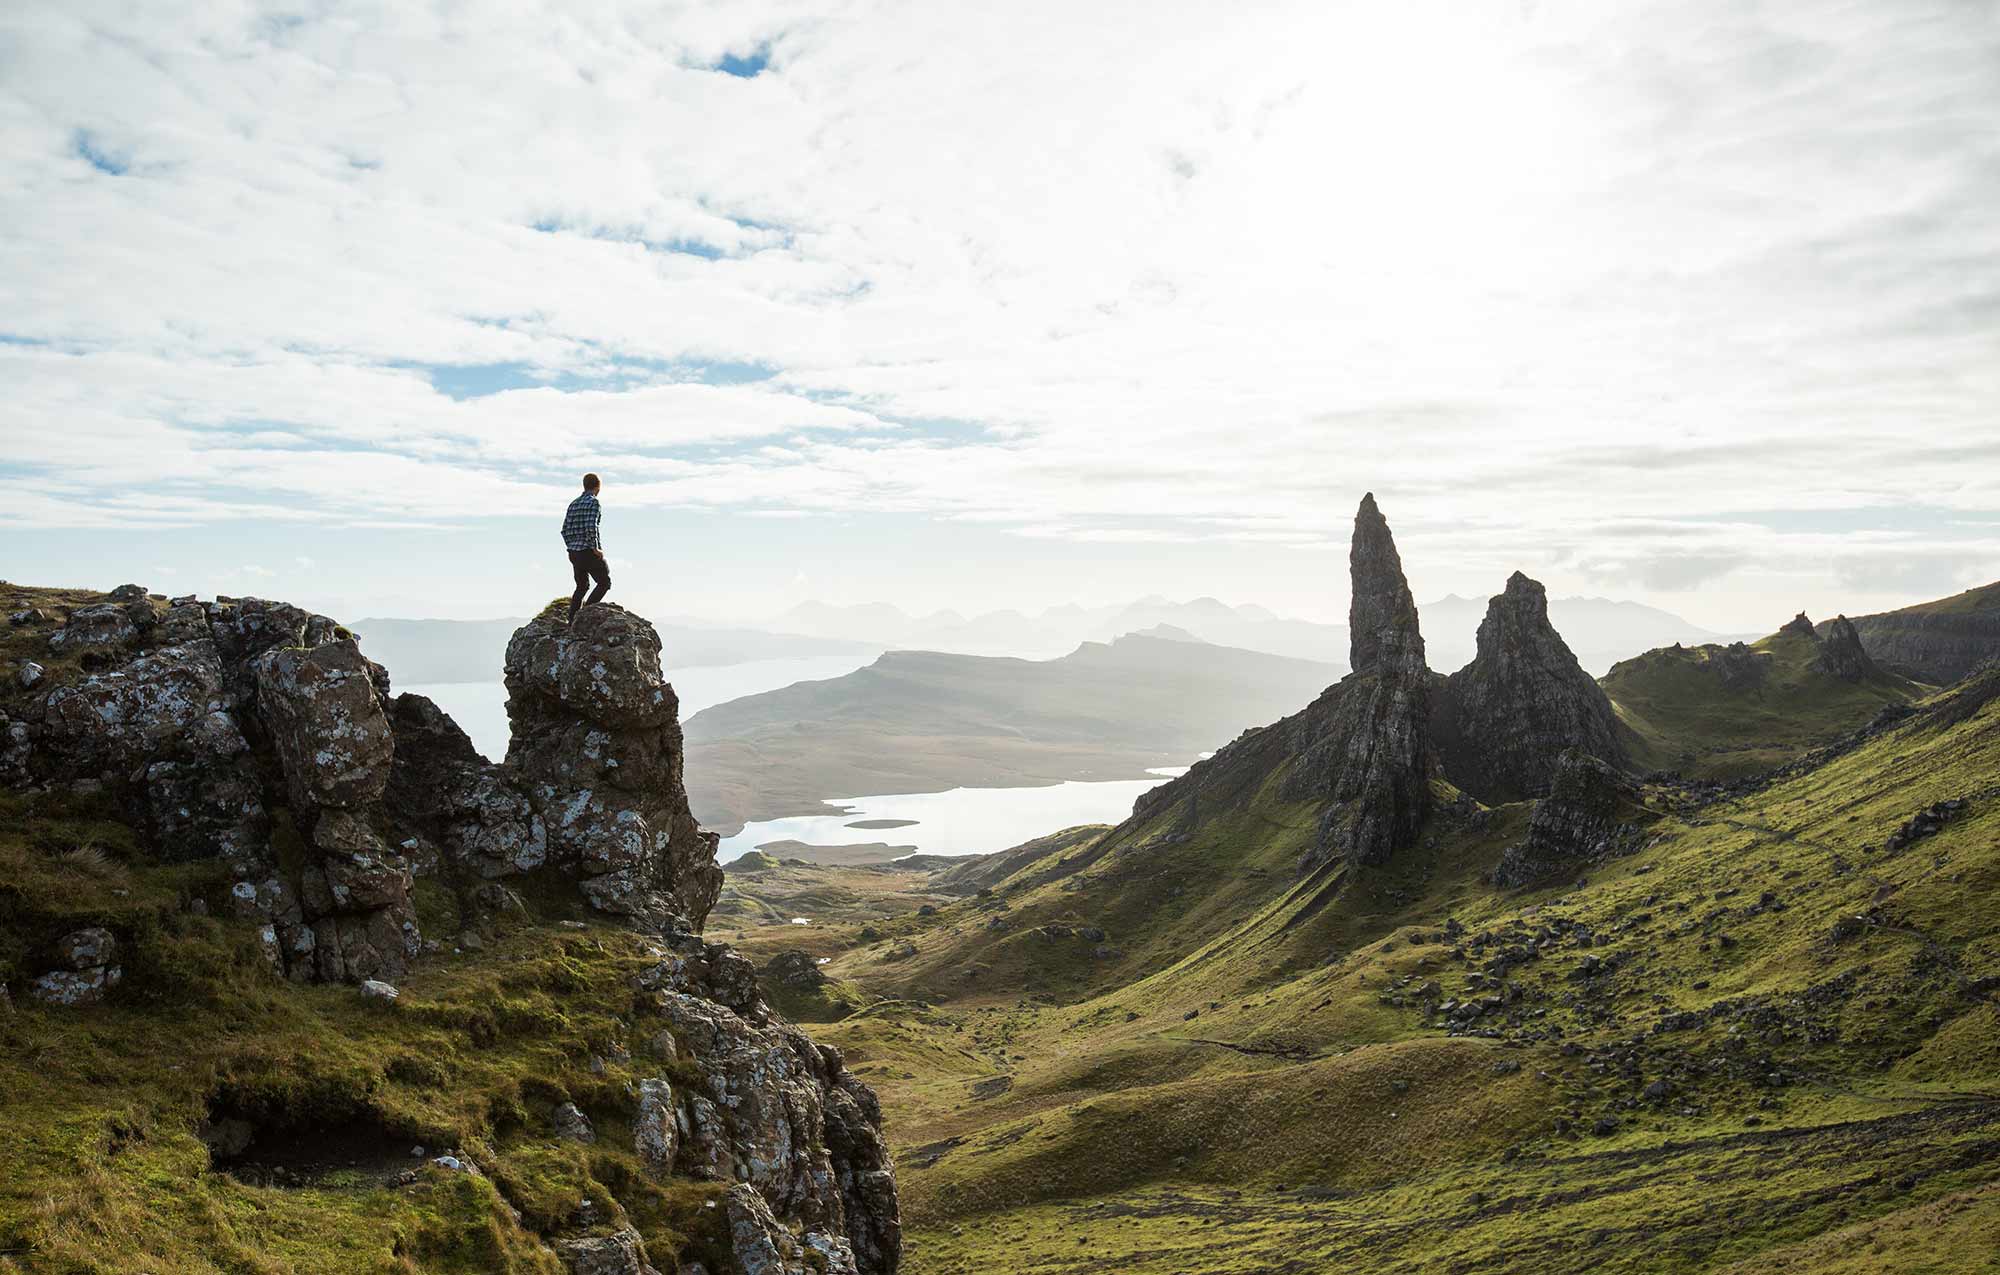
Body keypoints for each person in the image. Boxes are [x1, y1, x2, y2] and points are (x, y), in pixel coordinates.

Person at [561, 473, 610, 622]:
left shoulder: (573, 504)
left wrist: (571, 547)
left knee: (582, 586)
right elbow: (591, 527)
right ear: (598, 486)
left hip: (574, 553)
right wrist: (596, 548)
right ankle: (585, 616)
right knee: (604, 582)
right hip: (587, 551)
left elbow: (564, 530)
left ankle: (572, 621)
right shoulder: (593, 502)